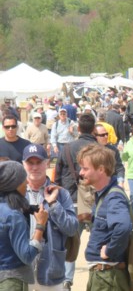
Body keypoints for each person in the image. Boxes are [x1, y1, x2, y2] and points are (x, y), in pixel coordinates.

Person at [22, 144, 78, 290]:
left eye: (38, 162)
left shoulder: (61, 194)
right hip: (22, 270)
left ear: (47, 163)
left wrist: (53, 204)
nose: (34, 167)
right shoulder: (16, 194)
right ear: (23, 164)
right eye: (30, 163)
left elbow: (72, 228)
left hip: (50, 270)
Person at [78, 144, 132, 290]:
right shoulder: (104, 194)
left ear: (101, 169)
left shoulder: (113, 197)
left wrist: (109, 250)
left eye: (85, 168)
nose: (81, 172)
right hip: (103, 275)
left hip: (107, 277)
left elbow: (123, 227)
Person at [55, 113, 97, 289]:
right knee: (99, 240)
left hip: (70, 199)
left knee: (71, 242)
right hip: (94, 201)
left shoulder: (66, 148)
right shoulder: (98, 149)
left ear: (78, 129)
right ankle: (97, 277)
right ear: (94, 129)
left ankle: (67, 279)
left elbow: (57, 175)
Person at [0, 160, 49, 290]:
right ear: (14, 184)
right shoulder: (13, 216)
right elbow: (27, 256)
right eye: (23, 179)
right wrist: (40, 225)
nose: (27, 183)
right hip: (12, 281)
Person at [95, 124, 125, 188]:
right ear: (95, 136)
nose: (106, 136)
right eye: (102, 135)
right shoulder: (91, 151)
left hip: (111, 185)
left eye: (106, 134)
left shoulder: (113, 150)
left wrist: (120, 182)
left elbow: (119, 168)